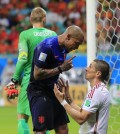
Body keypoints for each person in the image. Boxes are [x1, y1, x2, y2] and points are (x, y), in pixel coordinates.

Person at [4, 7, 57, 134]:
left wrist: (14, 79)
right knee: (43, 121)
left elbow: (22, 59)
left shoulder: (25, 35)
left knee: (22, 118)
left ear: (30, 19)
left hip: (30, 80)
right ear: (44, 19)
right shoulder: (53, 35)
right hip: (49, 81)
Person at [27, 25, 84, 134]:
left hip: (54, 90)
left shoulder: (64, 48)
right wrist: (61, 69)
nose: (76, 47)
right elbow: (37, 74)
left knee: (63, 128)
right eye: (76, 43)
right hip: (39, 91)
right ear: (68, 37)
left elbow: (54, 69)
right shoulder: (46, 47)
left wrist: (57, 79)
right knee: (41, 131)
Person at [54, 59, 111, 134]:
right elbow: (84, 112)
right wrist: (67, 98)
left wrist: (62, 101)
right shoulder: (100, 90)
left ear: (98, 73)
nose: (86, 68)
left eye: (90, 67)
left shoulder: (97, 92)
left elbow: (81, 118)